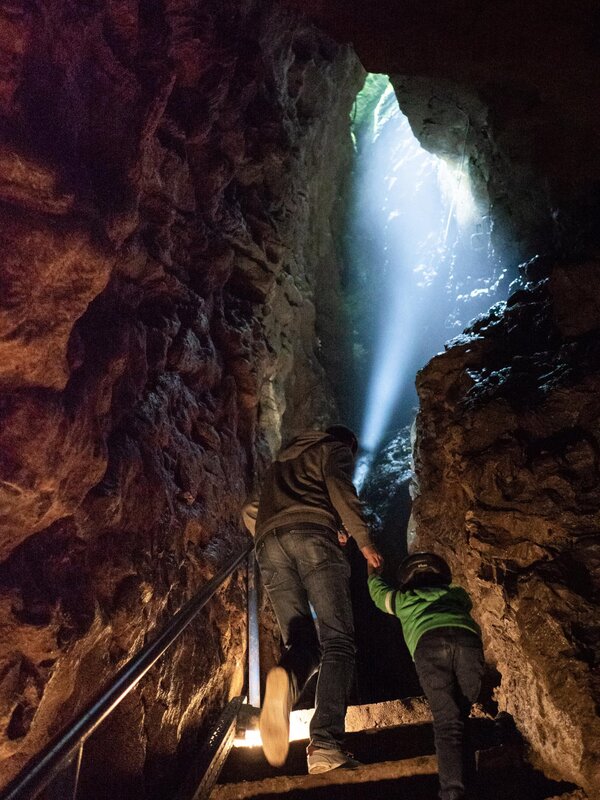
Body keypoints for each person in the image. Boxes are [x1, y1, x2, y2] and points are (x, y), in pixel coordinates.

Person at [242, 425, 382, 774]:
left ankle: (286, 682)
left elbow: (251, 508)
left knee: (302, 641)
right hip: (313, 539)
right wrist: (363, 540)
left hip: (269, 545)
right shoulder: (334, 448)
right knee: (338, 642)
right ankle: (325, 743)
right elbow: (337, 485)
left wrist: (268, 535)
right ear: (347, 443)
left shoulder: (280, 463)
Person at [368, 552, 484, 800]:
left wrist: (372, 572)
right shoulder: (456, 594)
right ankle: (470, 780)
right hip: (467, 640)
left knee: (447, 721)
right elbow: (467, 603)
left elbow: (378, 594)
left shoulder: (403, 599)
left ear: (407, 578)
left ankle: (453, 792)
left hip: (428, 643)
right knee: (462, 714)